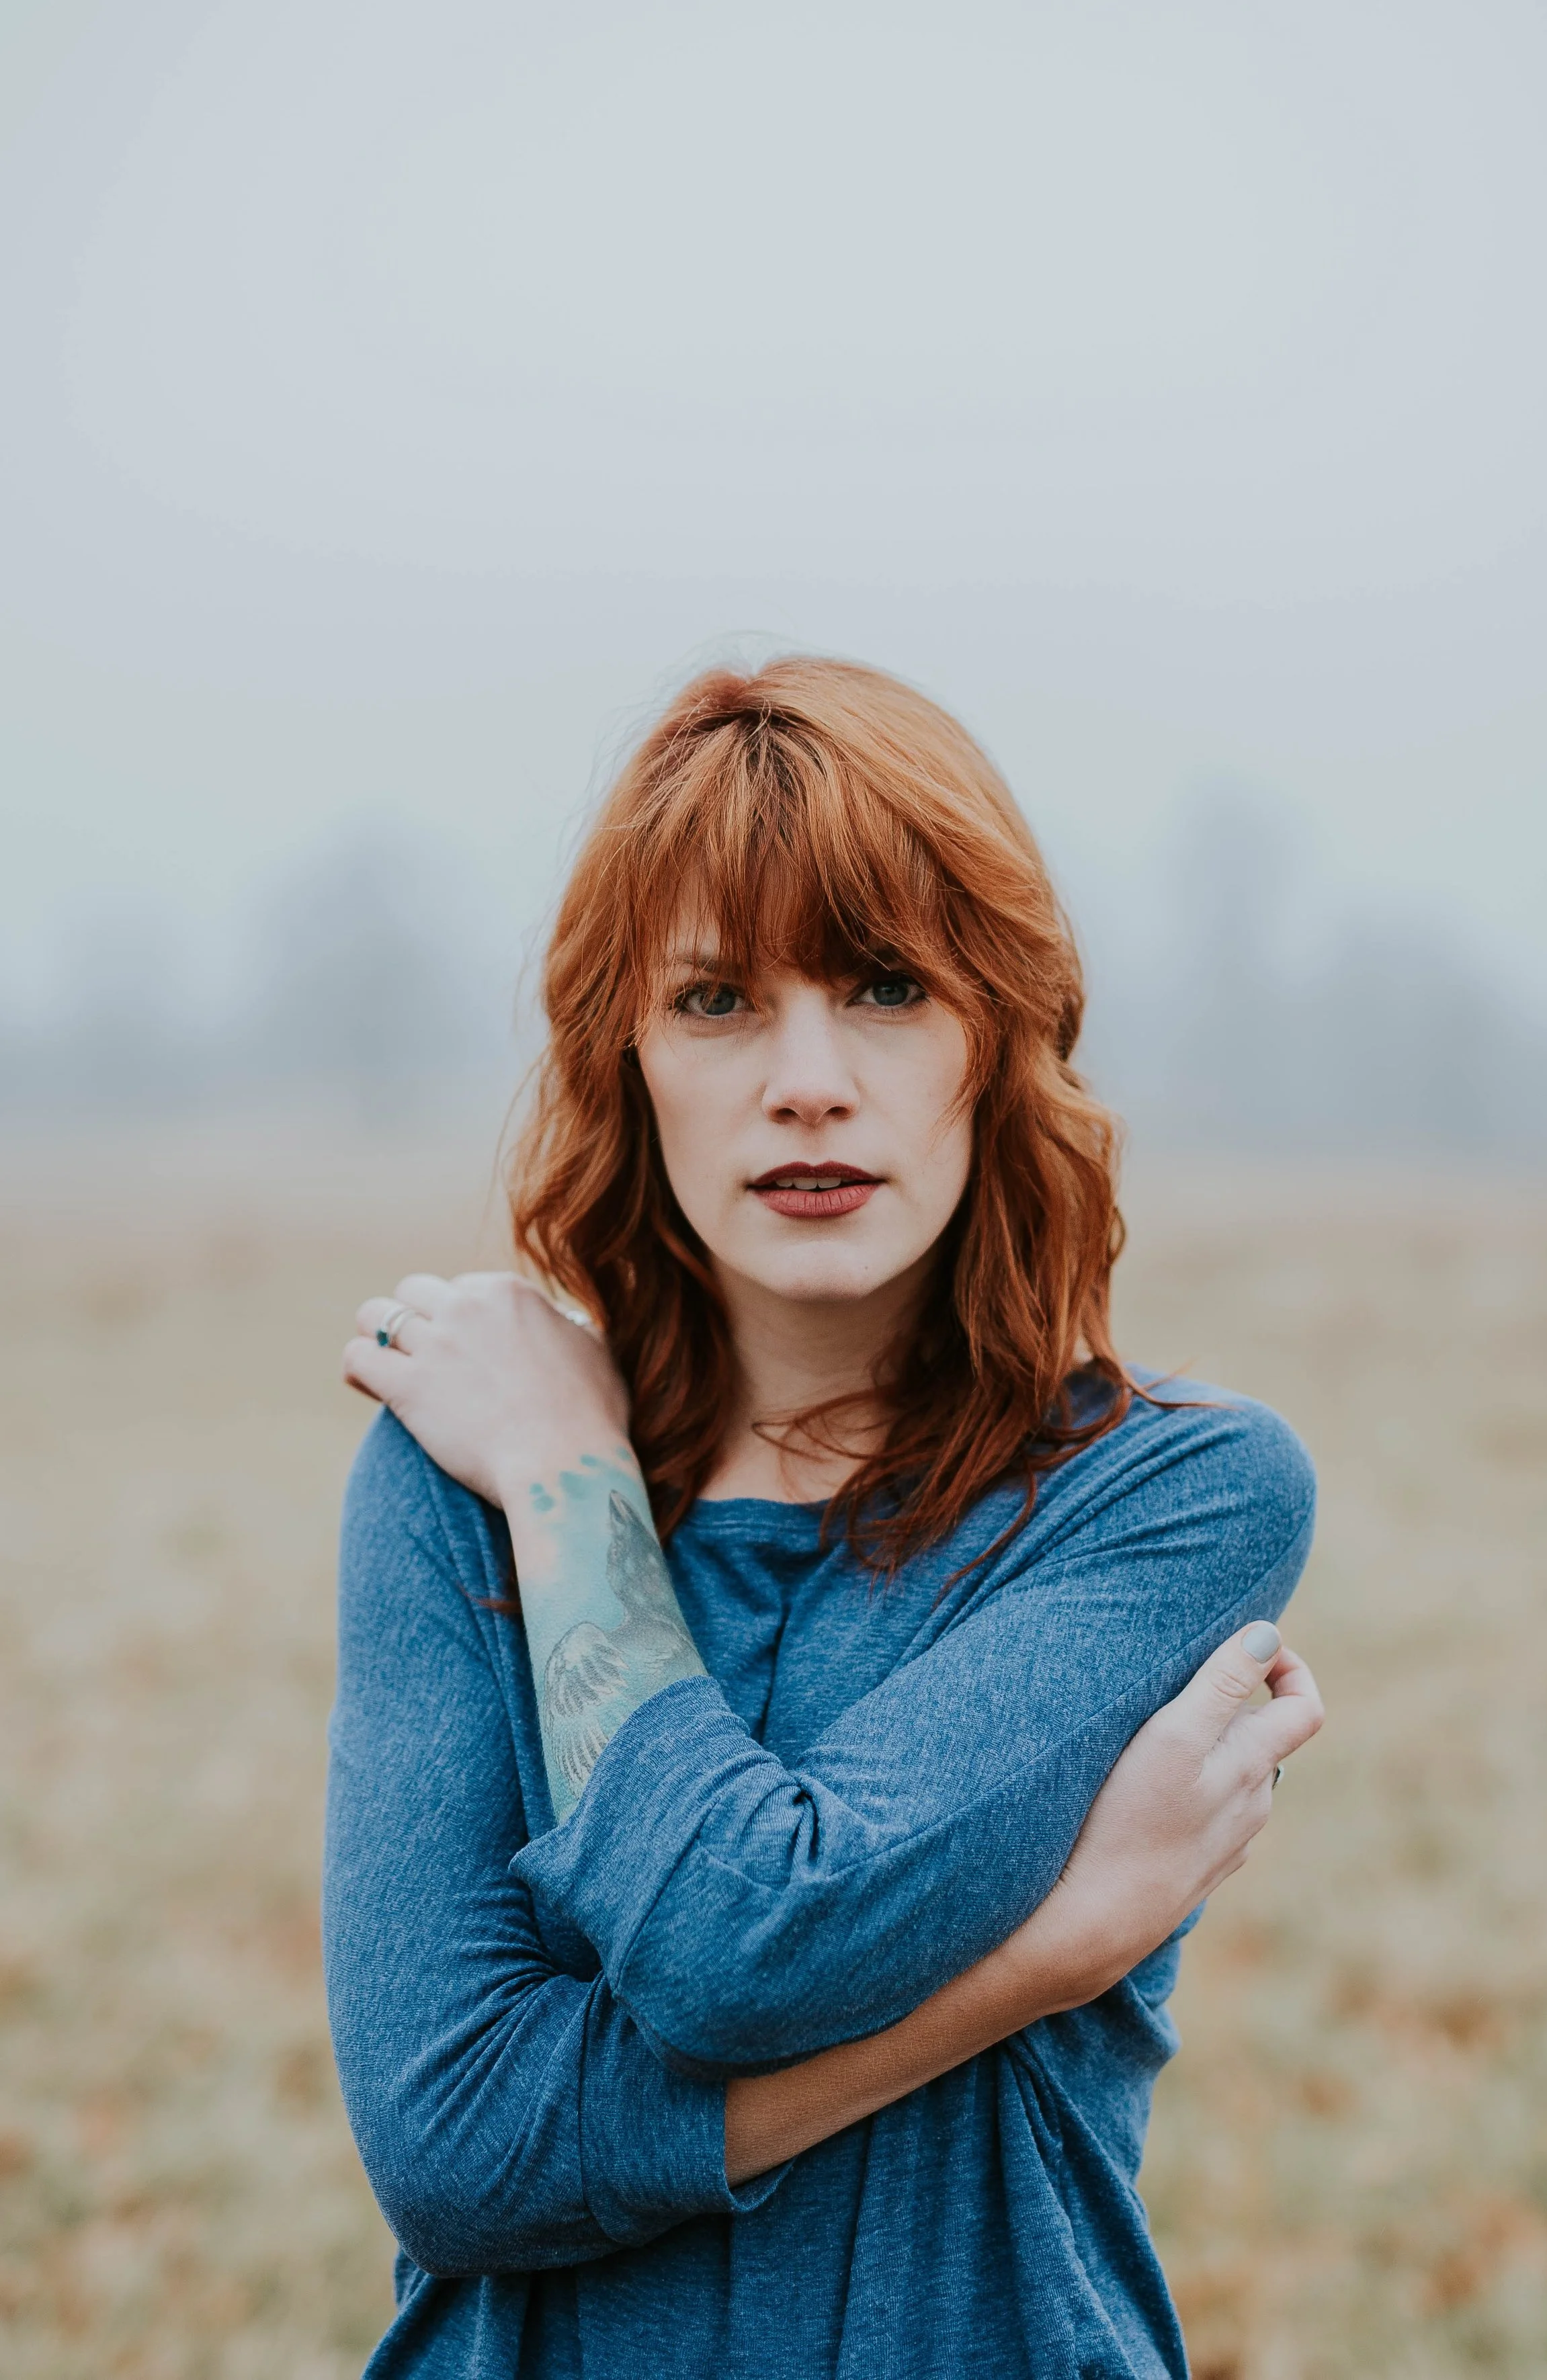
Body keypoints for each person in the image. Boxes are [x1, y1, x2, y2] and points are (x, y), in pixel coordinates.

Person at [327, 656, 1324, 2380]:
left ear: (995, 1036)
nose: (805, 1081)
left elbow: (744, 1944)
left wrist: (570, 1500)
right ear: (623, 1053)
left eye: (881, 989)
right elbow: (459, 2157)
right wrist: (1043, 1955)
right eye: (714, 1000)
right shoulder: (459, 1472)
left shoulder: (1165, 1495)